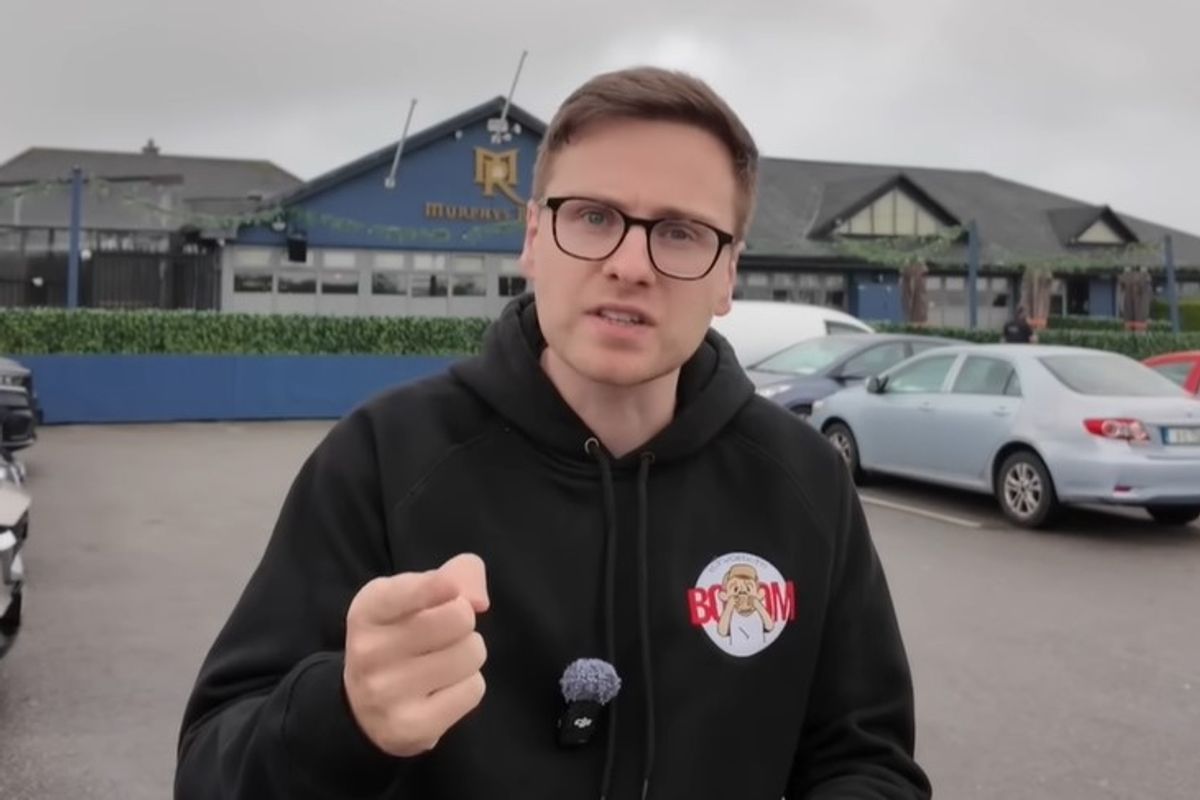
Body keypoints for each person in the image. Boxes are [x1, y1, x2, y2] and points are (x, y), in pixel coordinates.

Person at [175, 66, 932, 800]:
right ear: (533, 236)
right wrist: (342, 716)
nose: (630, 265)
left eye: (679, 232)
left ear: (727, 272)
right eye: (594, 217)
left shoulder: (804, 481)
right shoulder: (384, 456)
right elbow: (210, 769)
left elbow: (866, 760)